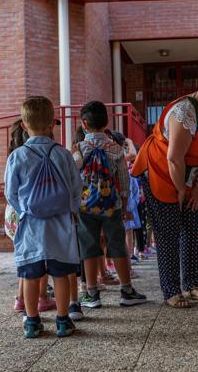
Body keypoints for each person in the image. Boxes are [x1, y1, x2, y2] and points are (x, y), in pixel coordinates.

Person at [132, 66, 198, 308]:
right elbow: (173, 158)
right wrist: (180, 189)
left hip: (193, 174)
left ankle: (192, 284)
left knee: (192, 227)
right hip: (162, 170)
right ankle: (171, 290)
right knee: (168, 232)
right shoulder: (185, 111)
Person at [4, 96, 82, 338]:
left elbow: (10, 192)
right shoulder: (63, 154)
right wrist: (70, 210)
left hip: (31, 225)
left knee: (30, 273)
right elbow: (76, 187)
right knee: (60, 273)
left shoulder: (17, 156)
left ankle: (32, 322)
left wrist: (25, 208)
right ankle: (62, 320)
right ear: (51, 124)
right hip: (60, 223)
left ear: (24, 126)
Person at [74, 101, 147, 308]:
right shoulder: (115, 148)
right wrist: (124, 204)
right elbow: (124, 179)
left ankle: (91, 293)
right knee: (117, 245)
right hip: (111, 205)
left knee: (89, 247)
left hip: (85, 206)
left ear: (84, 124)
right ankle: (126, 290)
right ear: (107, 123)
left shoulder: (79, 148)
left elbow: (73, 179)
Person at [6, 119, 57, 315]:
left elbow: (10, 190)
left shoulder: (14, 155)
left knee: (26, 259)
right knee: (41, 256)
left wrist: (20, 210)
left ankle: (21, 299)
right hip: (32, 212)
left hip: (14, 213)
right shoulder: (38, 154)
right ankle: (42, 297)